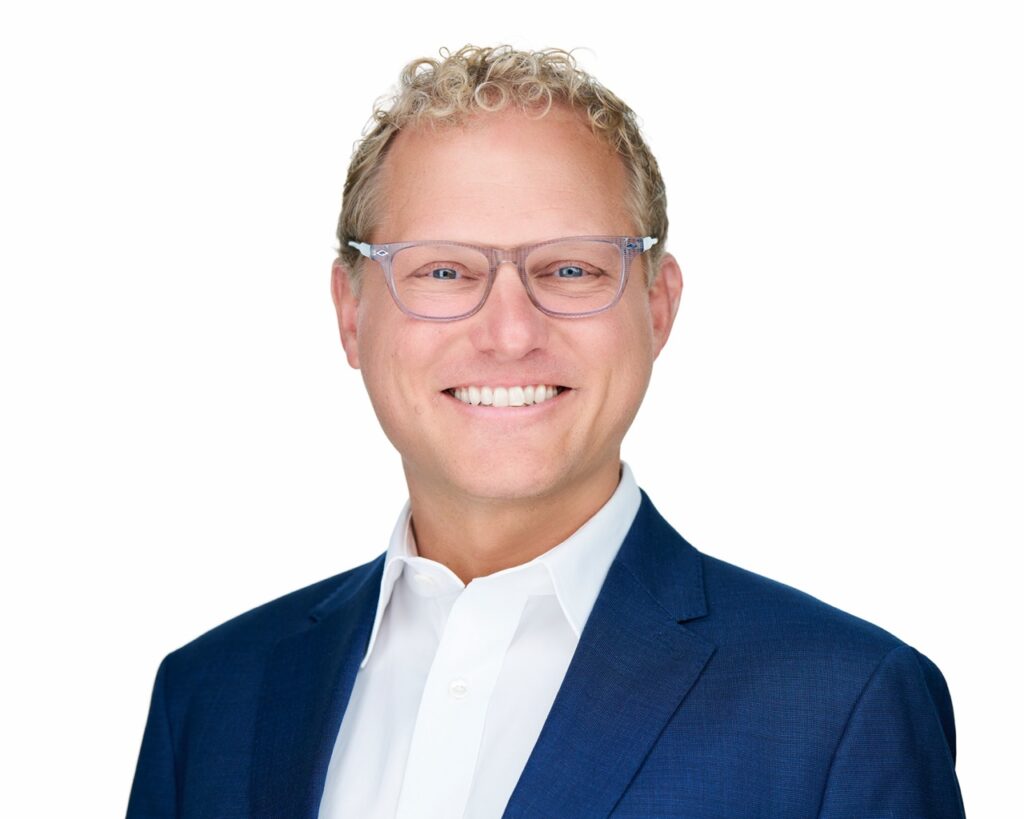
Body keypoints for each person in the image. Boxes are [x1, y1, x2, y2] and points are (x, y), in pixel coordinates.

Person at [126, 45, 965, 818]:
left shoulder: (842, 708)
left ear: (658, 306)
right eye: (445, 270)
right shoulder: (208, 700)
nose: (509, 331)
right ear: (350, 314)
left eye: (570, 268)